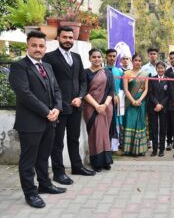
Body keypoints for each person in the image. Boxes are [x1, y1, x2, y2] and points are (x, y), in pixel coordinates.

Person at [10, 31, 65, 208]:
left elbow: (56, 89)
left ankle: (45, 184)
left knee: (44, 157)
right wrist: (47, 111)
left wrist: (57, 108)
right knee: (28, 160)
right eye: (34, 45)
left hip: (50, 121)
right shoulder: (19, 67)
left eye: (41, 46)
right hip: (30, 123)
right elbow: (24, 94)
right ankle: (30, 193)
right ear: (27, 46)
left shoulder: (47, 66)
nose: (38, 49)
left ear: (45, 48)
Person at [43, 26, 95, 185]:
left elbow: (83, 81)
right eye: (65, 37)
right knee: (57, 141)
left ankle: (77, 166)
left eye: (70, 38)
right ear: (58, 38)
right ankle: (58, 173)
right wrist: (56, 104)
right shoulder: (49, 57)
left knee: (74, 138)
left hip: (76, 106)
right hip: (58, 107)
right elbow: (47, 83)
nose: (68, 40)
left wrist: (80, 97)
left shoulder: (77, 57)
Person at [82, 49, 114, 172]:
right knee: (94, 133)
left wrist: (104, 105)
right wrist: (97, 106)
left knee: (105, 133)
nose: (96, 59)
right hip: (91, 107)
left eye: (99, 57)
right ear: (89, 58)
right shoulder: (85, 73)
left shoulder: (107, 72)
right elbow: (84, 91)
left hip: (106, 108)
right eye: (94, 57)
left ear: (102, 58)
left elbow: (111, 91)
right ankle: (96, 162)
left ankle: (106, 160)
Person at [122, 54, 149, 155]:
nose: (138, 62)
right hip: (129, 101)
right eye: (136, 60)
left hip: (141, 101)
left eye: (139, 60)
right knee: (130, 123)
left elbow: (146, 89)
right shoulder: (126, 73)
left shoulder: (145, 74)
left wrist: (140, 100)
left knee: (140, 123)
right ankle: (128, 149)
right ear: (132, 61)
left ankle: (140, 150)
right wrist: (133, 101)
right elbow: (125, 89)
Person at [148, 61, 169, 157]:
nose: (160, 70)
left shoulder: (168, 80)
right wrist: (156, 104)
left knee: (163, 129)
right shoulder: (152, 79)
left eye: (162, 68)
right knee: (154, 128)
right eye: (159, 68)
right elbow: (150, 93)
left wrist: (161, 105)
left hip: (164, 108)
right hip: (153, 107)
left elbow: (168, 95)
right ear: (156, 69)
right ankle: (154, 149)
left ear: (165, 69)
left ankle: (161, 149)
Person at [105, 49, 124, 152]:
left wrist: (117, 96)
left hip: (117, 101)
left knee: (116, 122)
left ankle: (114, 146)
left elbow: (121, 87)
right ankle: (105, 145)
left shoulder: (120, 71)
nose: (112, 58)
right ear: (106, 57)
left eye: (114, 56)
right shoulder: (102, 70)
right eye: (110, 56)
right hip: (105, 101)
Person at [165, 51, 174, 151]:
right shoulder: (167, 72)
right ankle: (169, 142)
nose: (173, 60)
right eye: (171, 58)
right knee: (169, 123)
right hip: (170, 101)